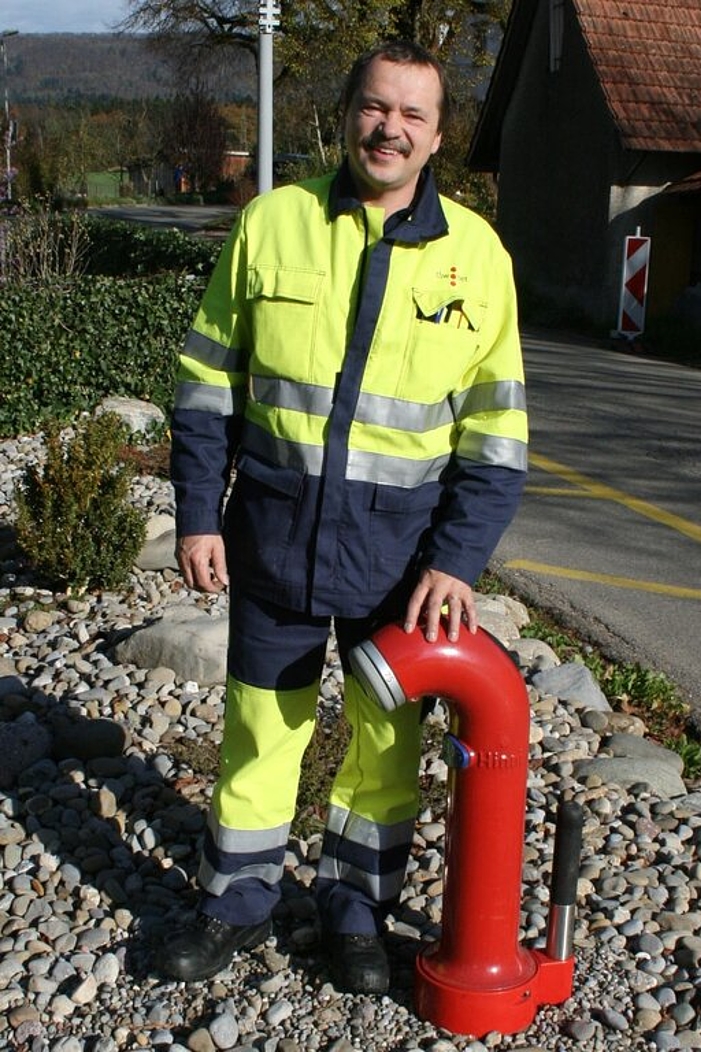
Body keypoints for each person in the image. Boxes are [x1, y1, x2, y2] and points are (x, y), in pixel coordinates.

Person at [161, 39, 528, 994]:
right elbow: (206, 387)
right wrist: (199, 514)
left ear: (438, 134)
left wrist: (458, 562)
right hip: (272, 542)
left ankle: (354, 915)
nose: (390, 128)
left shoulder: (478, 258)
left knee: (383, 753)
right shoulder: (271, 223)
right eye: (376, 107)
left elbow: (496, 437)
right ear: (344, 113)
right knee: (259, 735)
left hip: (400, 567)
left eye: (413, 114)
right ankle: (233, 905)